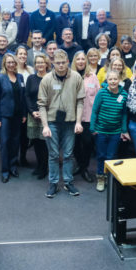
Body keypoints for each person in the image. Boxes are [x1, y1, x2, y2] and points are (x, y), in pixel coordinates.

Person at [38, 50, 85, 198]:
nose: (60, 65)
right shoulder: (46, 79)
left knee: (68, 154)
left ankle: (68, 182)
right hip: (52, 122)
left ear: (68, 62)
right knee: (53, 155)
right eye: (57, 63)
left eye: (63, 62)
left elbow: (80, 101)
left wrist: (78, 122)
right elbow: (41, 105)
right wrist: (45, 126)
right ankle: (53, 183)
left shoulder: (76, 77)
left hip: (70, 122)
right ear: (52, 63)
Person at [91, 70, 130, 191]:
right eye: (110, 79)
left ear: (119, 80)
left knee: (111, 156)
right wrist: (92, 127)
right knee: (101, 155)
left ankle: (109, 177)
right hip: (101, 131)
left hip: (115, 132)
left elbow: (124, 114)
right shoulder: (101, 93)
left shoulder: (124, 94)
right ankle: (100, 178)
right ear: (107, 80)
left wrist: (124, 130)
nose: (113, 81)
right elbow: (95, 111)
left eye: (115, 79)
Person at [0, 53, 26, 183]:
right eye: (9, 62)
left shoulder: (20, 77)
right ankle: (5, 170)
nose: (11, 64)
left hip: (17, 116)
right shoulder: (0, 78)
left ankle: (13, 166)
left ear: (16, 63)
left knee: (15, 142)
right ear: (4, 64)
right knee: (5, 143)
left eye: (13, 62)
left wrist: (24, 114)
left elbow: (23, 97)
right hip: (4, 116)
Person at [72, 50, 98, 183]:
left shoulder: (92, 76)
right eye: (78, 59)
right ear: (74, 61)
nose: (81, 61)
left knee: (88, 143)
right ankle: (79, 164)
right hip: (73, 117)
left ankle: (84, 167)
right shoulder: (69, 76)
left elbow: (98, 96)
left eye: (83, 59)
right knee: (74, 144)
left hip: (88, 116)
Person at [26, 53, 49, 179]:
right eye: (37, 62)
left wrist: (44, 112)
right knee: (36, 141)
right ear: (35, 65)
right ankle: (39, 165)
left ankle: (44, 168)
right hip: (33, 115)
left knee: (44, 143)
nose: (40, 64)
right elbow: (27, 96)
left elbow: (54, 97)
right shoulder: (31, 78)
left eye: (42, 62)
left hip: (47, 115)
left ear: (46, 64)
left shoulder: (51, 78)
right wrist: (32, 111)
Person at [15, 45, 34, 165]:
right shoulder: (12, 70)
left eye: (24, 54)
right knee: (15, 134)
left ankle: (23, 157)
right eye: (20, 54)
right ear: (16, 56)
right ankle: (14, 158)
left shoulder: (30, 70)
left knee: (25, 135)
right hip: (16, 106)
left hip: (28, 106)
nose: (22, 56)